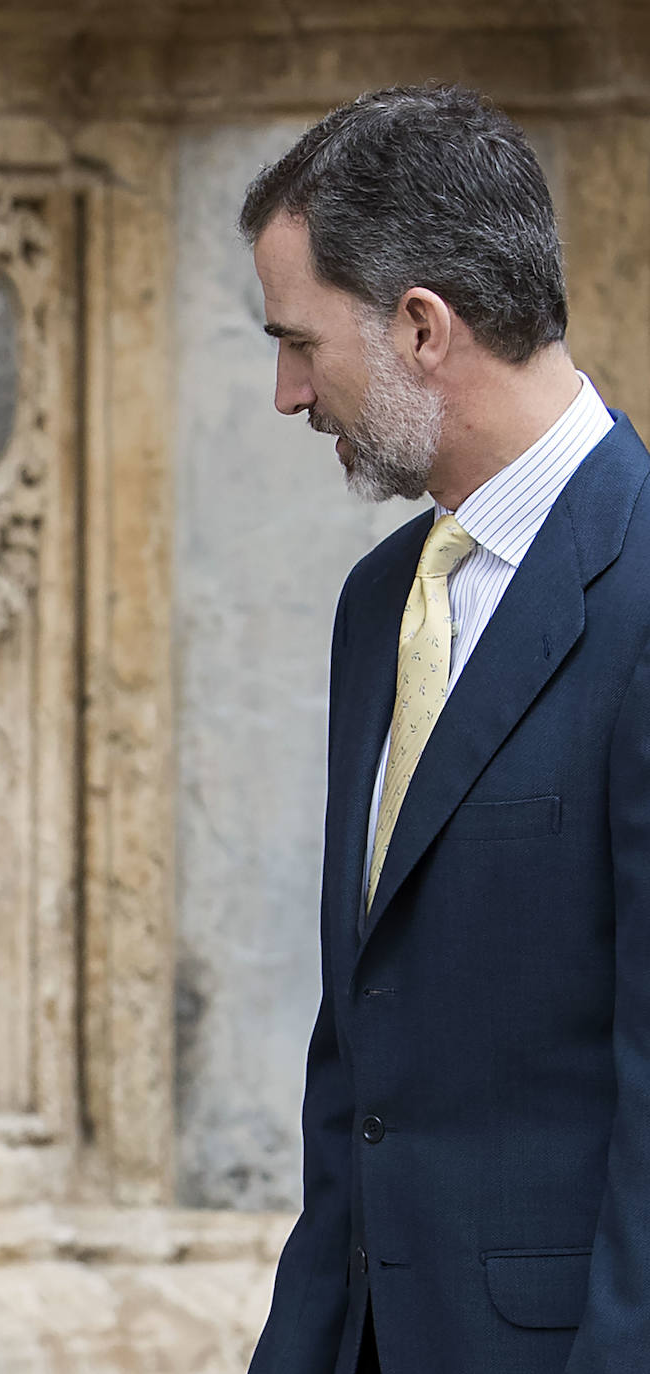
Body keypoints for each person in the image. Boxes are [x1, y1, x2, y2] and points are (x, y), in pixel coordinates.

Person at [240, 84, 650, 1374]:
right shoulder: (378, 605)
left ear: (422, 327)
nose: (287, 392)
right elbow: (356, 1055)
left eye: (301, 341)